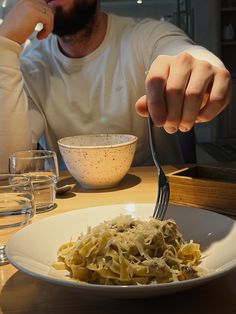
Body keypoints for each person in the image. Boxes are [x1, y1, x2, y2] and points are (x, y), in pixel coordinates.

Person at [0, 0, 232, 172]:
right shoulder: (30, 66)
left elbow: (178, 49)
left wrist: (201, 69)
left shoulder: (143, 35)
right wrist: (4, 45)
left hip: (153, 199)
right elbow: (7, 167)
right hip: (71, 205)